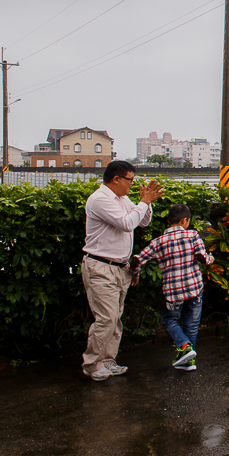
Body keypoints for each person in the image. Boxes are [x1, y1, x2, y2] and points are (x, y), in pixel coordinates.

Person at [81, 160, 164, 381]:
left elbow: (143, 222)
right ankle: (92, 363)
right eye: (130, 179)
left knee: (115, 318)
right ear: (116, 179)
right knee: (106, 318)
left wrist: (146, 202)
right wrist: (143, 202)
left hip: (120, 267)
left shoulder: (122, 198)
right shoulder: (100, 199)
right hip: (101, 266)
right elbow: (127, 223)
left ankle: (107, 360)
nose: (132, 184)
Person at [131, 203, 214, 372]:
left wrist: (136, 273)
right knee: (191, 325)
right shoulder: (193, 235)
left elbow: (137, 260)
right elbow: (203, 259)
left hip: (173, 292)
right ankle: (187, 352)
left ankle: (186, 356)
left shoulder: (158, 242)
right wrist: (209, 259)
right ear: (185, 220)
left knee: (170, 320)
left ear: (169, 221)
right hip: (194, 288)